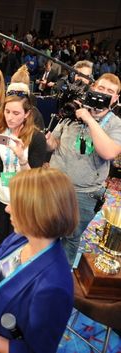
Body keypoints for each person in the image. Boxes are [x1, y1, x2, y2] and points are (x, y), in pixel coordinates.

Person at [0, 167, 77, 353]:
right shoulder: (21, 238)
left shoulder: (54, 286)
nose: (7, 208)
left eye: (15, 203)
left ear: (36, 213)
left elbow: (33, 350)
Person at [47, 73, 121, 266]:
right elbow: (53, 144)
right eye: (101, 88)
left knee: (70, 236)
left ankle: (61, 276)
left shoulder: (115, 123)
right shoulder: (74, 110)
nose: (104, 93)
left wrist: (89, 119)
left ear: (116, 99)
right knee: (45, 229)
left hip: (84, 193)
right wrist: (47, 139)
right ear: (93, 88)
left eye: (110, 92)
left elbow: (109, 152)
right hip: (54, 184)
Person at [0, 94, 47, 245]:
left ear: (27, 114)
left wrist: (21, 157)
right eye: (7, 111)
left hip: (22, 200)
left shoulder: (36, 137)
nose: (10, 117)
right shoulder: (0, 132)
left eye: (16, 113)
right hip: (0, 195)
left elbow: (33, 176)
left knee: (15, 243)